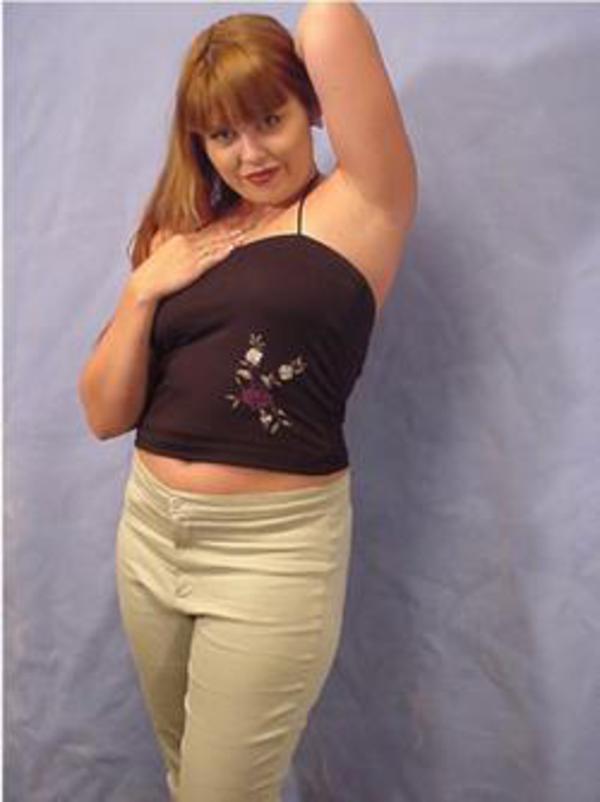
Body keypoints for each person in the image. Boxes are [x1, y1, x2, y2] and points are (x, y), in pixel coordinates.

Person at [78, 4, 416, 801]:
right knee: (185, 774)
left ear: (314, 106)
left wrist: (246, 57)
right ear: (198, 143)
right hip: (149, 533)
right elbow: (104, 414)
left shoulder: (361, 205)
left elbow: (330, 21)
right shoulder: (184, 231)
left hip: (271, 553)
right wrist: (142, 290)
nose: (251, 153)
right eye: (223, 133)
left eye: (271, 119)